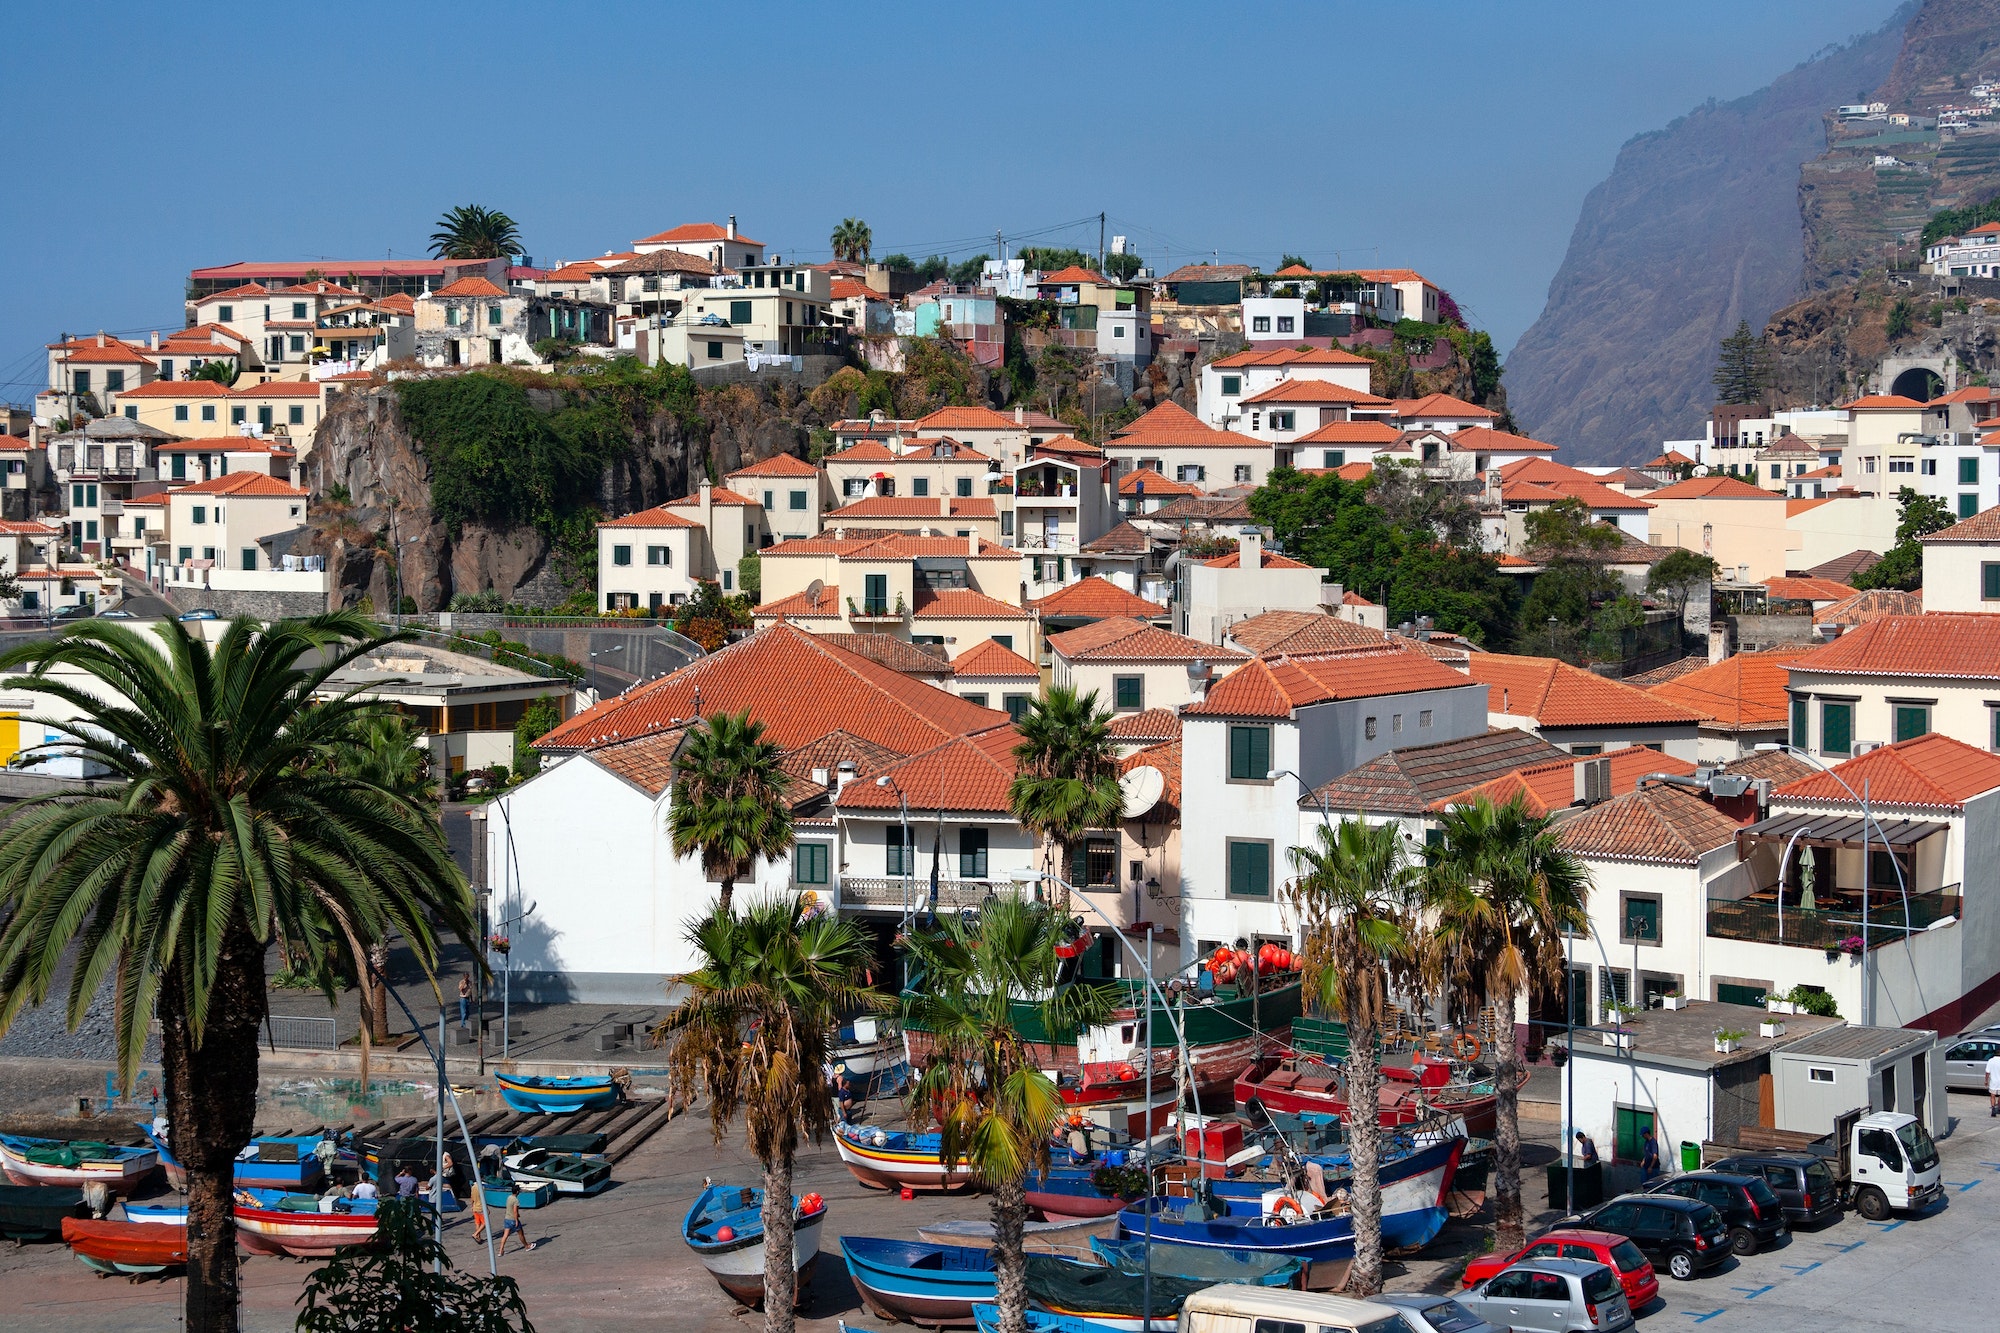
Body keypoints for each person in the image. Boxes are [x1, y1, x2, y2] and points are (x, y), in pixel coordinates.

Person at [497, 1182, 533, 1255]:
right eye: (519, 1190)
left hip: (507, 1218)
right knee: (520, 1234)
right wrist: (516, 1220)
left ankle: (501, 1250)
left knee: (505, 1235)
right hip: (513, 1219)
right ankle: (527, 1246)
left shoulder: (509, 1197)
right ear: (517, 1192)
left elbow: (509, 1208)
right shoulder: (516, 1200)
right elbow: (515, 1211)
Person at [1985, 1046, 2000, 1117]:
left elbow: (1987, 1072)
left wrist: (1986, 1081)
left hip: (1993, 1081)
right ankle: (1999, 1107)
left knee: (1992, 1096)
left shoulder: (1990, 1061)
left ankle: (1993, 1109)